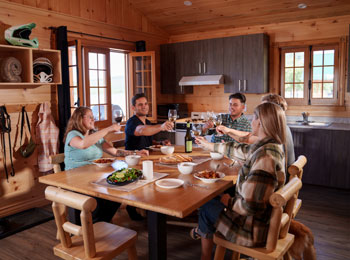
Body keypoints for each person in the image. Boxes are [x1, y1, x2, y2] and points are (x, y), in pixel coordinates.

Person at [192, 102, 287, 260]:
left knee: (206, 205)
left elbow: (250, 206)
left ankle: (204, 250)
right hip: (261, 222)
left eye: (254, 117)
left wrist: (228, 201)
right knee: (213, 198)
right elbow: (238, 150)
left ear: (261, 122)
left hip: (251, 230)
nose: (251, 121)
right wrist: (209, 145)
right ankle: (201, 231)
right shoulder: (270, 147)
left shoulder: (265, 158)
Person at [64, 106, 148, 223]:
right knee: (108, 197)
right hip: (76, 180)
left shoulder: (95, 136)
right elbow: (83, 144)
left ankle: (99, 223)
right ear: (79, 118)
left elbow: (115, 152)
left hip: (93, 178)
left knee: (118, 192)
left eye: (93, 117)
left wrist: (135, 152)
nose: (93, 120)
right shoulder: (73, 135)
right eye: (90, 117)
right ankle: (93, 224)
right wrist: (108, 129)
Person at [216, 93, 295, 167]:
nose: (259, 110)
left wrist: (228, 131)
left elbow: (248, 139)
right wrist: (228, 131)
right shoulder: (281, 127)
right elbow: (248, 137)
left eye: (263, 108)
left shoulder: (274, 132)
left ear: (272, 110)